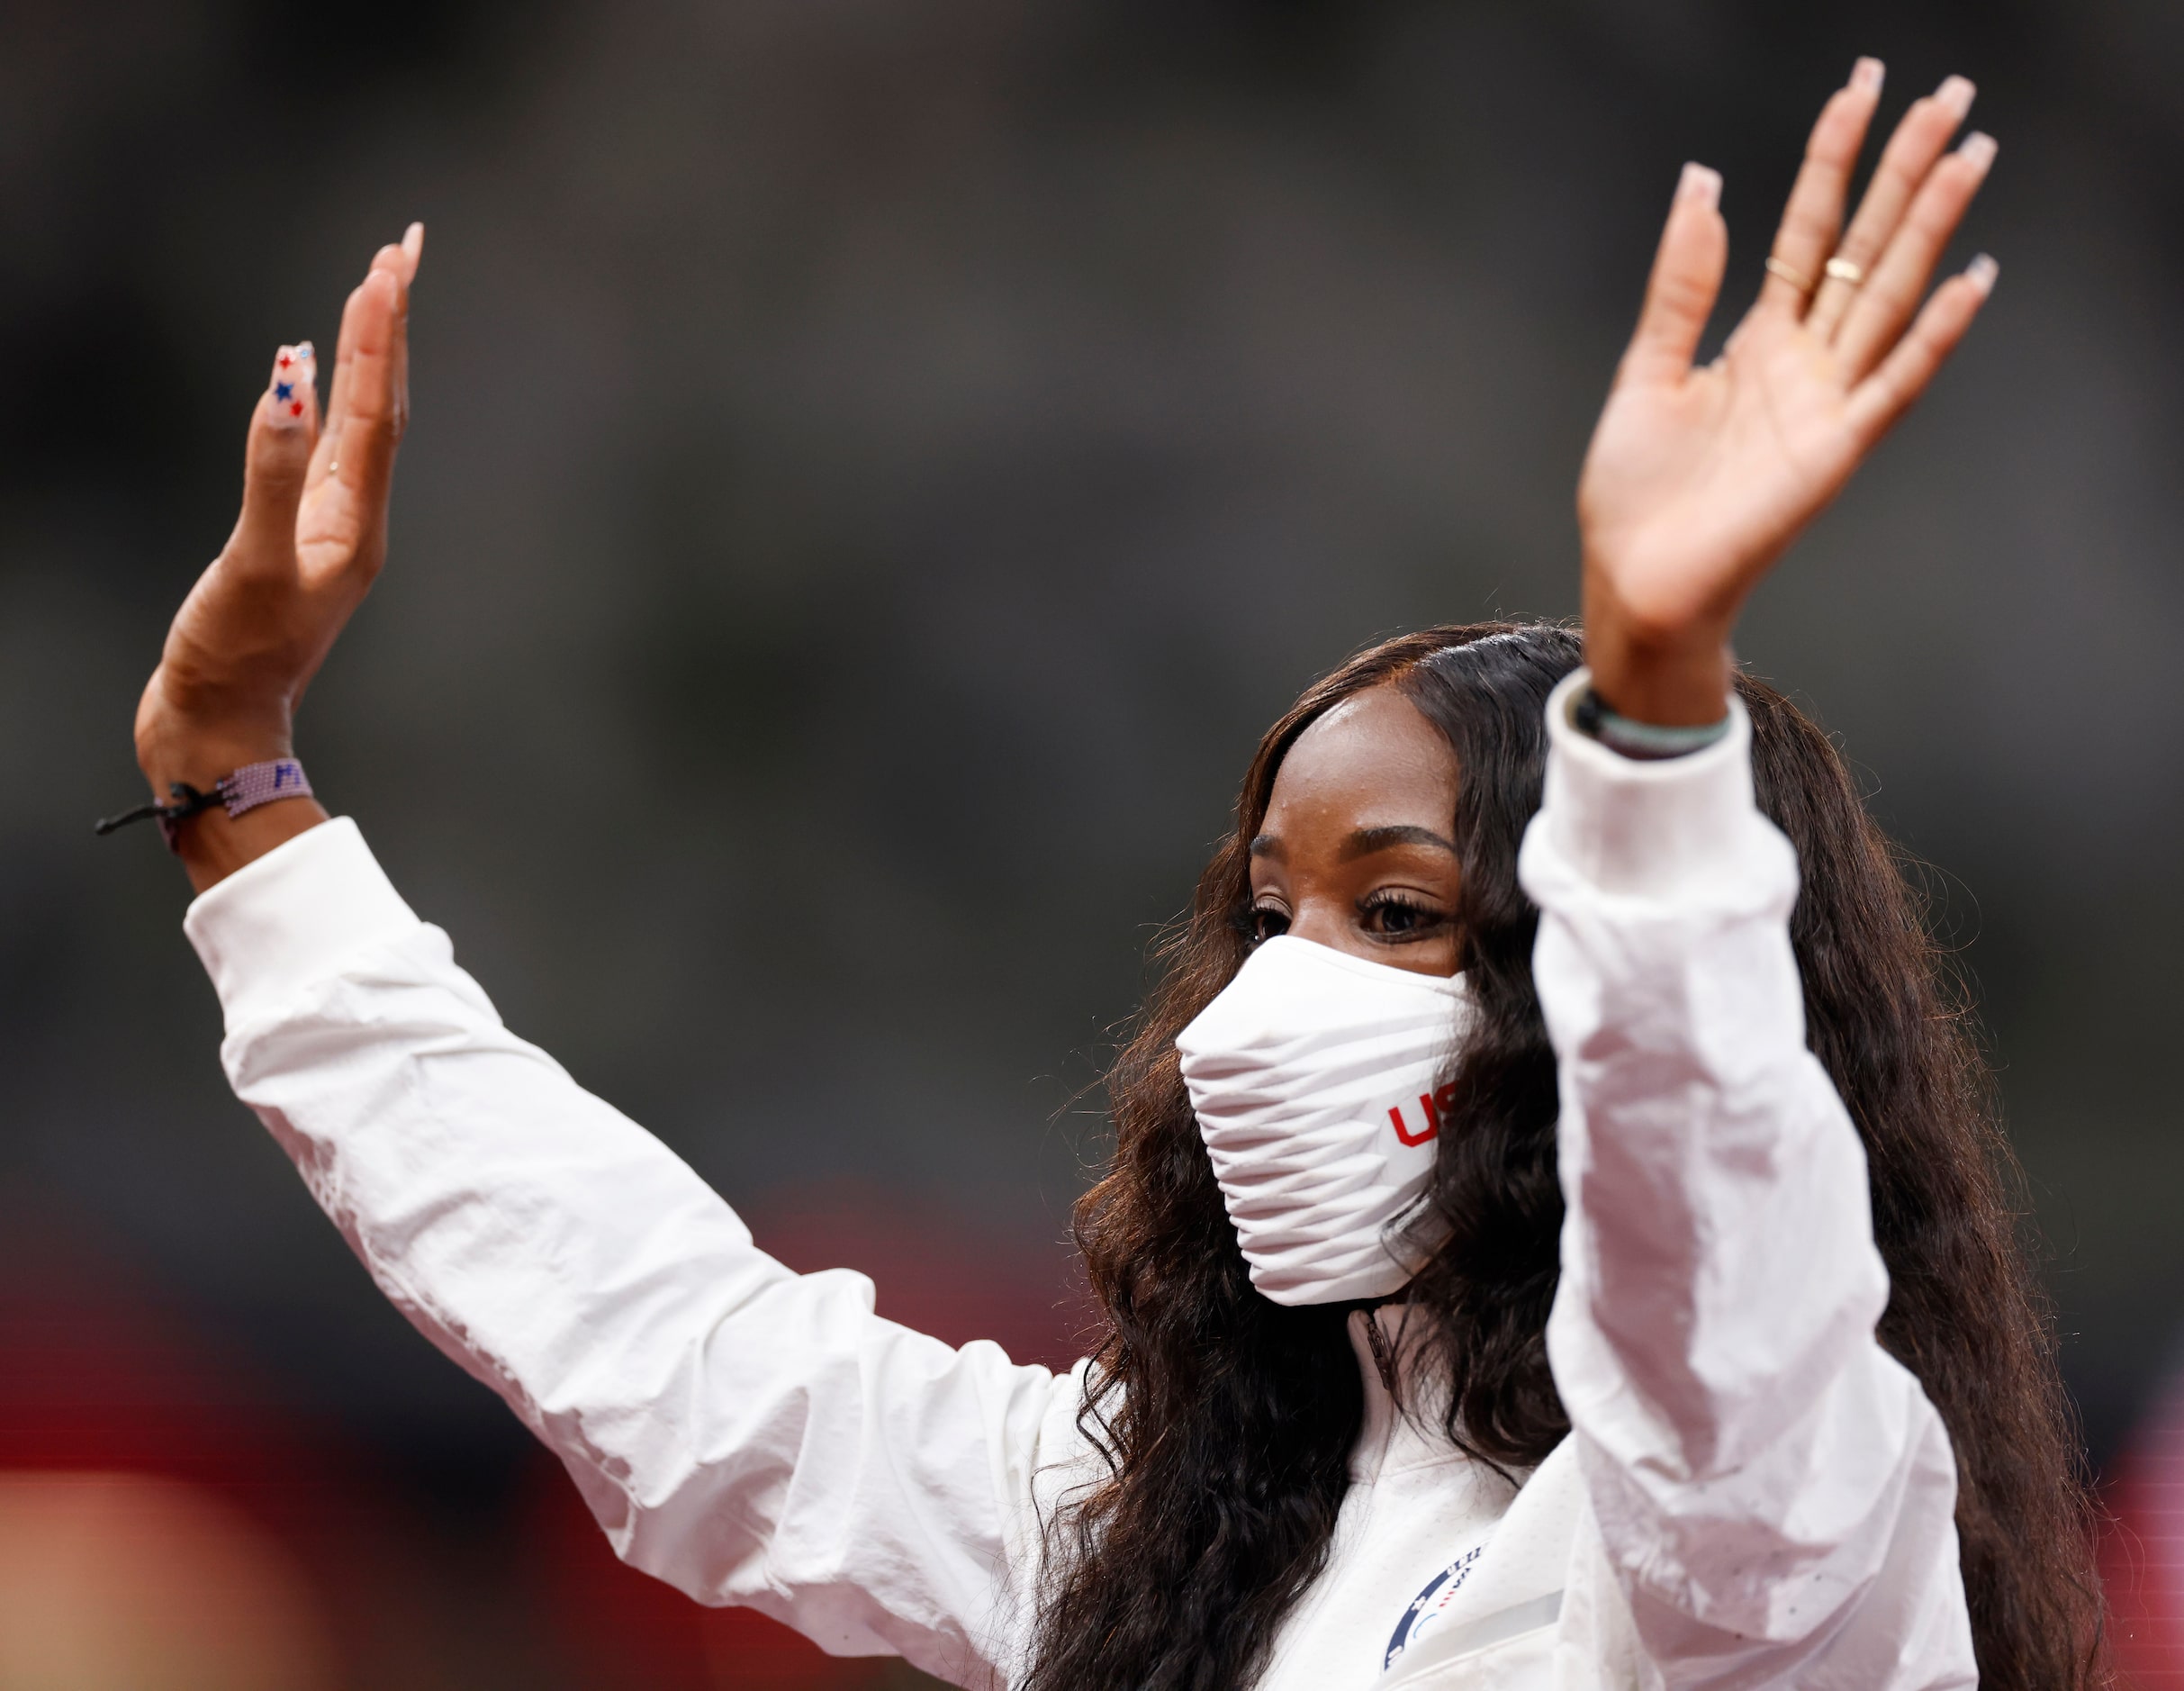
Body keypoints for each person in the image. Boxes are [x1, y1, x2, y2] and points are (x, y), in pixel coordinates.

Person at [119, 62, 2104, 1689]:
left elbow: (1715, 1282)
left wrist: (1658, 728)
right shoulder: (1169, 1525)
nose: (1270, 1001)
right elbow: (659, 1343)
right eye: (1271, 909)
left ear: (1577, 985)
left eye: (1398, 913)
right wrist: (236, 793)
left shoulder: (1776, 1533)